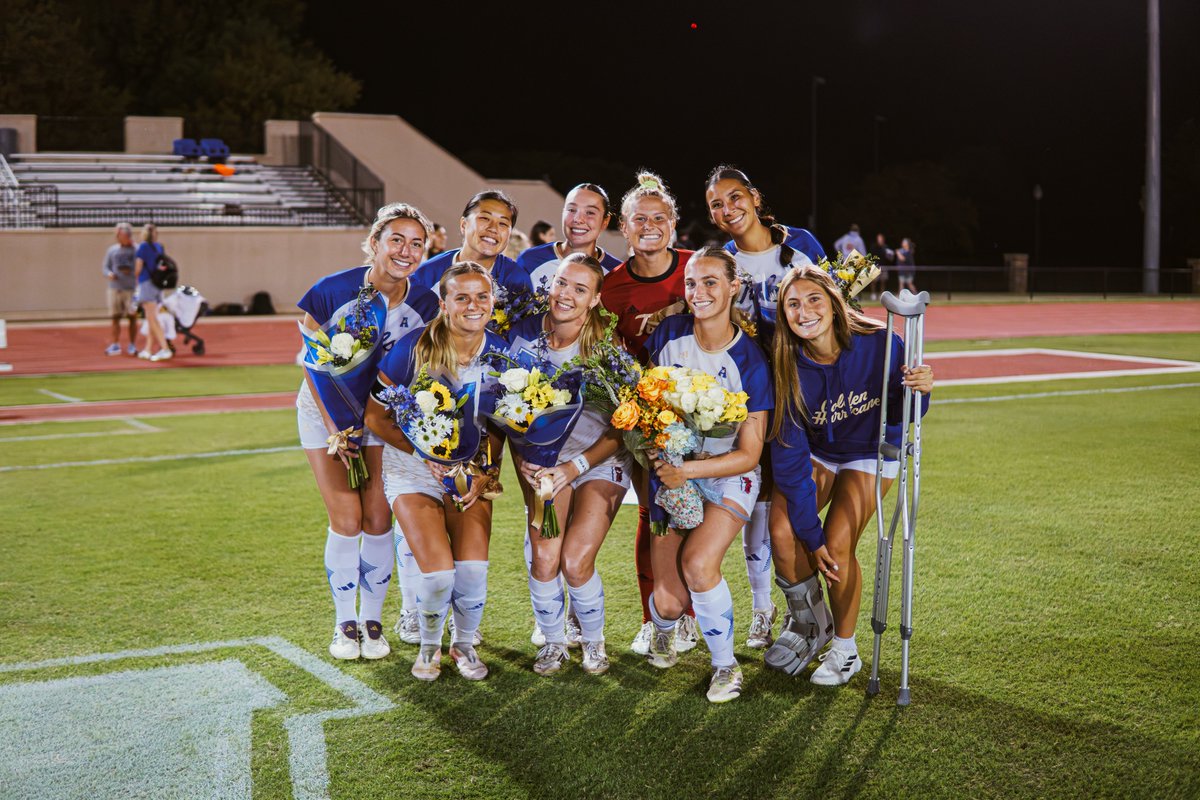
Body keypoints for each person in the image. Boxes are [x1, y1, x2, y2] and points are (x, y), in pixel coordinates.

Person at [767, 264, 933, 686]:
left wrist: (921, 390)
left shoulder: (880, 342)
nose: (804, 312)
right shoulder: (786, 363)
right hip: (820, 453)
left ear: (834, 301)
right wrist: (810, 534)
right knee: (783, 529)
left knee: (838, 546)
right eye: (792, 304)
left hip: (870, 452)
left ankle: (845, 649)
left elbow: (905, 414)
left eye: (813, 299)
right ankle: (812, 621)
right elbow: (789, 454)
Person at [297, 203, 440, 662]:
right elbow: (311, 363)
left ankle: (372, 622)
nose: (406, 251)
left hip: (382, 418)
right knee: (346, 518)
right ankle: (344, 624)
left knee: (379, 520)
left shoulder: (426, 304)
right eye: (396, 240)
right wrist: (337, 428)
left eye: (416, 243)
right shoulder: (331, 290)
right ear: (375, 243)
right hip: (325, 415)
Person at [365, 262, 508, 682]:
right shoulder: (413, 348)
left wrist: (486, 472)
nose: (473, 305)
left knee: (473, 572)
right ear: (444, 304)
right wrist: (422, 452)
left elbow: (501, 425)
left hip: (468, 472)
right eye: (461, 297)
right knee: (440, 573)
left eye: (481, 296)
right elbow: (375, 416)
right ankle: (429, 646)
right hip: (412, 470)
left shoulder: (502, 354)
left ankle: (463, 645)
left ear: (492, 302)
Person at [642, 246, 773, 703]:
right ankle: (663, 629)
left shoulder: (751, 360)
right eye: (691, 283)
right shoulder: (670, 334)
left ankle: (726, 667)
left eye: (711, 282)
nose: (698, 292)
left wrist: (689, 470)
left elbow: (749, 454)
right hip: (672, 471)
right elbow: (645, 407)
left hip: (726, 473)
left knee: (699, 565)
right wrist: (657, 449)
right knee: (669, 602)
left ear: (734, 287)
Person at [704, 165, 825, 650]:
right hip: (752, 398)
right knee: (756, 502)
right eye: (716, 204)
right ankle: (762, 609)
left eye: (735, 197)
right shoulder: (723, 260)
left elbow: (835, 309)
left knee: (790, 510)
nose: (728, 209)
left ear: (754, 197)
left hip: (802, 395)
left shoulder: (801, 245)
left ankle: (809, 612)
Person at [508, 253, 631, 676]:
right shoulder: (523, 337)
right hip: (547, 463)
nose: (566, 295)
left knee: (575, 561)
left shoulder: (606, 349)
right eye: (561, 283)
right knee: (544, 559)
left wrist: (575, 467)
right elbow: (504, 410)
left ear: (595, 299)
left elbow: (624, 428)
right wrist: (524, 457)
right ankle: (554, 644)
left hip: (598, 460)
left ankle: (593, 643)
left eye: (580, 289)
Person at [600, 170, 698, 656]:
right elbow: (609, 355)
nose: (650, 227)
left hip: (708, 413)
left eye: (660, 218)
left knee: (698, 515)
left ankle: (691, 613)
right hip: (650, 419)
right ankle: (653, 615)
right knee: (654, 512)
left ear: (674, 223)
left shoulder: (697, 267)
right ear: (623, 226)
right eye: (640, 219)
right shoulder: (611, 288)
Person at [410, 190, 531, 298]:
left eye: (503, 223)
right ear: (463, 225)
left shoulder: (517, 280)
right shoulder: (427, 275)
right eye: (485, 218)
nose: (493, 228)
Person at [516, 183, 622, 294]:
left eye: (590, 212)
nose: (578, 219)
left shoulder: (617, 273)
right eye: (571, 210)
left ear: (605, 221)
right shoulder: (529, 260)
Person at [133, 223, 172, 362]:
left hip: (147, 284)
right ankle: (148, 349)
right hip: (157, 285)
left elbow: (138, 267)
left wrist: (134, 280)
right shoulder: (159, 246)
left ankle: (165, 348)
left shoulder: (143, 247)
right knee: (151, 318)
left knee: (152, 319)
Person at [102, 222, 138, 356]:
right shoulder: (112, 250)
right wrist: (109, 274)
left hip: (132, 289)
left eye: (121, 234)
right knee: (115, 317)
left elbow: (141, 266)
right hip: (115, 289)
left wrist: (131, 272)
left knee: (132, 317)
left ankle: (132, 344)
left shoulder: (136, 249)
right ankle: (115, 344)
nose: (118, 237)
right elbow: (105, 267)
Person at [869, 233, 896, 298]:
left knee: (883, 281)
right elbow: (871, 255)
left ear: (883, 239)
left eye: (880, 239)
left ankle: (881, 294)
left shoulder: (886, 247)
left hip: (884, 266)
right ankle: (873, 294)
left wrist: (890, 255)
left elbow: (891, 258)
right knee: (873, 281)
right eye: (878, 239)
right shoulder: (874, 246)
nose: (879, 240)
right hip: (875, 266)